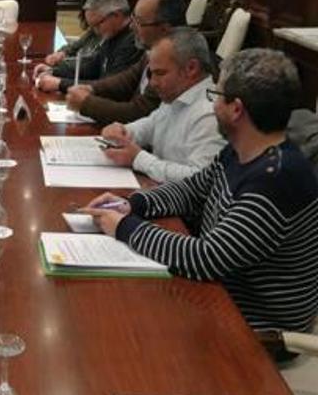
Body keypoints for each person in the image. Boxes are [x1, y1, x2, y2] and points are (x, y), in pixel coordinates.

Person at [82, 48, 318, 338]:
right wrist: (134, 204)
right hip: (218, 300)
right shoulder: (241, 151)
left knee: (118, 327)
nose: (212, 106)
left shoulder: (276, 179)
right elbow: (191, 191)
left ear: (236, 109)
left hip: (255, 331)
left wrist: (125, 228)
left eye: (216, 97)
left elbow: (207, 258)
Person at [99, 27, 225, 182]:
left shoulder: (210, 114)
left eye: (160, 74)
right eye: (151, 74)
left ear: (191, 68)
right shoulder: (176, 96)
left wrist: (139, 159)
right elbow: (152, 125)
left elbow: (200, 179)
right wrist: (124, 131)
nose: (152, 83)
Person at [65, 0, 187, 124]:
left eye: (139, 22)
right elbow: (125, 80)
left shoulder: (178, 58)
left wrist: (86, 104)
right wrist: (91, 89)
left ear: (164, 29)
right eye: (133, 18)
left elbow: (140, 112)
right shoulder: (153, 49)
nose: (132, 26)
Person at [34, 0, 143, 94]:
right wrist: (54, 71)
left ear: (116, 15)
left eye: (97, 25)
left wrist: (60, 84)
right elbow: (93, 66)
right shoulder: (113, 34)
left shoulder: (133, 41)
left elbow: (110, 88)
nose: (95, 31)